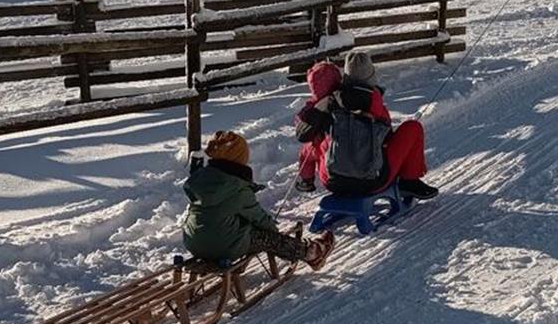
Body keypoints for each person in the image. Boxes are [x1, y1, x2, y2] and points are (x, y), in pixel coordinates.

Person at [295, 50, 438, 199]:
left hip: (333, 182)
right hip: (372, 181)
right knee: (412, 128)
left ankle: (307, 181)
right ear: (371, 76)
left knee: (319, 141)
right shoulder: (374, 102)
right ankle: (410, 181)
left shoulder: (329, 102)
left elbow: (304, 137)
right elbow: (386, 137)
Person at [182, 130, 333, 269]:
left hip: (193, 242)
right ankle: (311, 253)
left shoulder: (201, 180)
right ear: (238, 159)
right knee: (266, 238)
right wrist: (274, 231)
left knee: (229, 224)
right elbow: (257, 217)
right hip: (224, 245)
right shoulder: (237, 187)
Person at [293, 60, 342, 193]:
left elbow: (302, 127)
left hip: (323, 149)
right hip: (341, 149)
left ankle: (306, 180)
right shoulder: (343, 99)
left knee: (305, 153)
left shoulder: (315, 107)